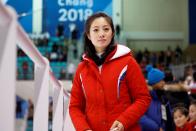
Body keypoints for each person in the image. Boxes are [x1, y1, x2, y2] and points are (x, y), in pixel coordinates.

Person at [69, 12, 151, 131]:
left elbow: (143, 98)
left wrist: (124, 121)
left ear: (112, 33)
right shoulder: (82, 69)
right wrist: (83, 129)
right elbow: (75, 107)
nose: (101, 34)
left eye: (106, 29)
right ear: (88, 35)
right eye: (96, 30)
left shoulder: (128, 62)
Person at [140, 65, 174, 131]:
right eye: (160, 81)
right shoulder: (145, 97)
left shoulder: (163, 98)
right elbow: (140, 117)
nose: (163, 83)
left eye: (163, 80)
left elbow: (167, 117)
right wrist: (156, 128)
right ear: (154, 83)